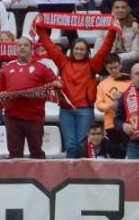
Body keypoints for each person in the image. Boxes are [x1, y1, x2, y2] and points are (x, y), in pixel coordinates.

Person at [36, 22, 115, 158]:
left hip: (85, 111)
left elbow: (104, 49)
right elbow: (50, 46)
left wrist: (113, 31)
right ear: (71, 50)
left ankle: (83, 175)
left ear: (87, 51)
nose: (79, 52)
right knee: (71, 145)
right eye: (76, 49)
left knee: (82, 144)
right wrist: (40, 29)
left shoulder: (92, 65)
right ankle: (70, 174)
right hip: (67, 110)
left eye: (82, 49)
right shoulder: (64, 62)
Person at [0, 37, 57, 158]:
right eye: (19, 45)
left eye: (25, 45)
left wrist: (57, 84)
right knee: (14, 153)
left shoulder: (41, 66)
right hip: (12, 116)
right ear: (16, 49)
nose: (22, 47)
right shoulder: (8, 67)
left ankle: (39, 176)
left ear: (32, 49)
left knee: (36, 151)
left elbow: (55, 82)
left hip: (34, 116)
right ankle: (16, 177)